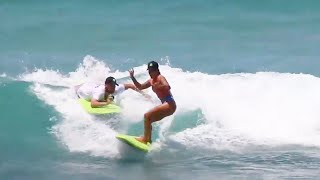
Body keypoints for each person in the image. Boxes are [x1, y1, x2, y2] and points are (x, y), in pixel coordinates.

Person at [129, 61, 176, 144]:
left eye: (152, 70)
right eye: (149, 71)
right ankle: (148, 140)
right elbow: (140, 87)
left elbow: (168, 86)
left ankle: (145, 139)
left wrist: (159, 86)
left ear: (157, 70)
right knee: (149, 119)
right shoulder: (151, 81)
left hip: (170, 103)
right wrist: (132, 77)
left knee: (146, 116)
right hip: (166, 105)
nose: (150, 73)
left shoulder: (160, 77)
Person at [75, 76, 140, 108]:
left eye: (114, 85)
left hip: (92, 86)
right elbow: (93, 104)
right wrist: (107, 103)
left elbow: (130, 85)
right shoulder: (100, 92)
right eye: (112, 86)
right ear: (106, 85)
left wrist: (144, 94)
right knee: (78, 89)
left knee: (93, 88)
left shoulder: (116, 89)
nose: (114, 87)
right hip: (82, 91)